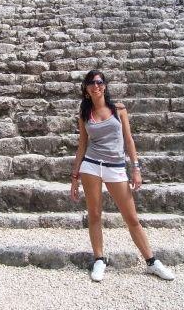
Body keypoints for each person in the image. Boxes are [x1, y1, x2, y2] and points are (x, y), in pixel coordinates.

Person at [71, 70, 175, 282]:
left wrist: (136, 168)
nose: (96, 85)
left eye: (99, 82)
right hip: (91, 166)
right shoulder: (84, 113)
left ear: (105, 85)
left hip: (116, 167)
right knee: (95, 214)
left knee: (132, 218)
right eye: (91, 82)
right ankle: (99, 259)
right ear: (86, 88)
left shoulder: (119, 109)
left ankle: (151, 261)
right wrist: (74, 177)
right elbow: (82, 146)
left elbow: (129, 141)